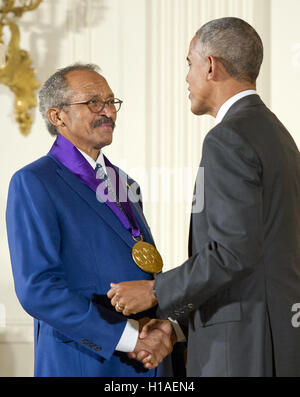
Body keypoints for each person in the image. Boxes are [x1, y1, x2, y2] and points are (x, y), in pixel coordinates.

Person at [107, 17, 300, 376]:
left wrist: (155, 291)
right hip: (277, 338)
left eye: (188, 64)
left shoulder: (228, 137)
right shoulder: (279, 135)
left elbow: (232, 251)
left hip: (241, 348)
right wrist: (177, 324)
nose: (186, 77)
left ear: (210, 66)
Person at [6, 64, 185, 377]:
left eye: (111, 102)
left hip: (149, 360)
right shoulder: (34, 182)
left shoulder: (124, 183)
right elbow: (38, 289)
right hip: (85, 361)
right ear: (57, 116)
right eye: (93, 103)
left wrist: (163, 330)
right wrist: (127, 338)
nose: (108, 112)